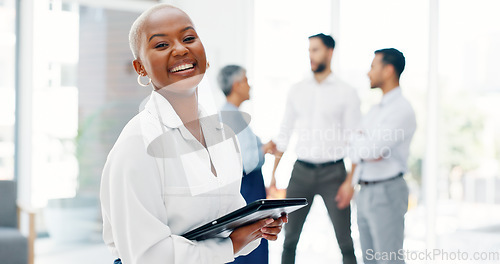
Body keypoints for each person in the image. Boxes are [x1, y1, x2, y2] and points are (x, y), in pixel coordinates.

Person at [99, 4, 286, 264]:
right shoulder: (137, 144)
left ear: (204, 54)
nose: (180, 49)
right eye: (161, 45)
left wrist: (256, 227)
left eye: (189, 38)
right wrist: (230, 246)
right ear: (140, 67)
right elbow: (147, 256)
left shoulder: (223, 134)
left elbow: (228, 221)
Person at [264, 33, 360, 264]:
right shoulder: (297, 89)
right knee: (289, 240)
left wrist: (350, 181)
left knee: (345, 242)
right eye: (309, 51)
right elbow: (284, 133)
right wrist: (273, 177)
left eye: (315, 50)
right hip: (301, 172)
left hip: (334, 173)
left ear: (330, 52)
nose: (311, 55)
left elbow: (356, 139)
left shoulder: (347, 92)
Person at [349, 48, 416, 264]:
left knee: (389, 260)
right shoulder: (376, 111)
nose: (368, 73)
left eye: (372, 67)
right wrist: (365, 143)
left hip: (387, 192)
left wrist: (365, 143)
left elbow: (370, 150)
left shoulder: (401, 110)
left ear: (388, 70)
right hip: (365, 191)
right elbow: (354, 147)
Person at [218, 65, 269, 264]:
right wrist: (264, 149)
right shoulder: (232, 117)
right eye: (246, 80)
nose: (250, 85)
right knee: (250, 246)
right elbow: (246, 161)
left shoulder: (232, 115)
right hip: (246, 190)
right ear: (237, 85)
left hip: (250, 188)